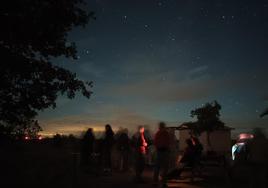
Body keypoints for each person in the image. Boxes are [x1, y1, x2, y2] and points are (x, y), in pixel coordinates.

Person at [153, 122, 171, 187]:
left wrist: (158, 147)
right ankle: (163, 182)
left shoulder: (157, 133)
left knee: (157, 167)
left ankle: (155, 181)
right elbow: (168, 142)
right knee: (165, 167)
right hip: (164, 151)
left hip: (159, 151)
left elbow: (155, 142)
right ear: (164, 126)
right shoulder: (166, 133)